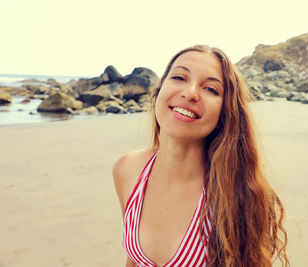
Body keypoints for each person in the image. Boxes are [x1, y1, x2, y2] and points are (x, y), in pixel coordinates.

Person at [113, 45, 289, 267]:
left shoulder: (237, 190)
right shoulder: (127, 169)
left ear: (225, 113)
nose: (190, 93)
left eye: (211, 89)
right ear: (158, 90)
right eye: (179, 77)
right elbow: (133, 260)